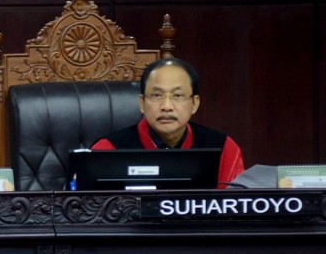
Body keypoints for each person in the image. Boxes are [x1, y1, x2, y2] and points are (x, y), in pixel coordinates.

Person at [91, 57, 245, 187]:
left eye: (178, 96)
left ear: (195, 103)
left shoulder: (223, 149)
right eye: (157, 95)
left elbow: (236, 212)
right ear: (142, 102)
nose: (167, 107)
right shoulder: (107, 151)